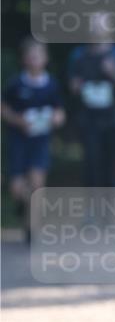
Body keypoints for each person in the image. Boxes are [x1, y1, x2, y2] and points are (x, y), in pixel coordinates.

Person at [1, 38, 65, 239]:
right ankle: (22, 207)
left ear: (45, 59)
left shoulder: (52, 85)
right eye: (31, 56)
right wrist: (17, 120)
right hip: (19, 141)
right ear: (24, 60)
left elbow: (59, 110)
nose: (34, 60)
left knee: (37, 183)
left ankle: (32, 227)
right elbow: (3, 107)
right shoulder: (16, 84)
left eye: (38, 56)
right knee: (17, 188)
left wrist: (57, 118)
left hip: (40, 141)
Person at [67, 11, 115, 187]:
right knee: (91, 164)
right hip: (88, 120)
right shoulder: (79, 54)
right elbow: (72, 85)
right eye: (92, 23)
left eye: (100, 23)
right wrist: (76, 86)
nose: (96, 27)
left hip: (114, 120)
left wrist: (114, 73)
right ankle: (92, 208)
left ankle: (110, 209)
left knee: (111, 165)